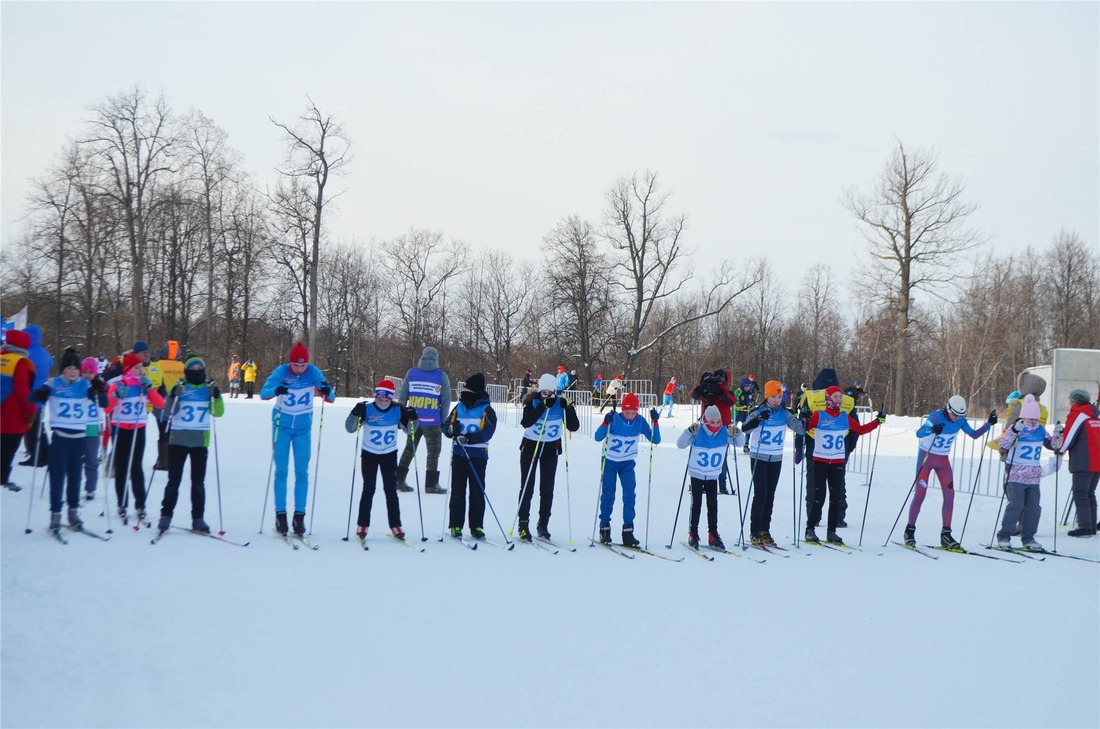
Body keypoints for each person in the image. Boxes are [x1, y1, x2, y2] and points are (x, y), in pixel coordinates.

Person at [260, 342, 334, 537]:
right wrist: (277, 390)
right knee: (282, 471)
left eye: (302, 366)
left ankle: (299, 517)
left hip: (303, 429)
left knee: (302, 473)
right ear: (290, 362)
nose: (299, 369)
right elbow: (263, 393)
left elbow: (331, 397)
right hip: (281, 427)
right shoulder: (281, 371)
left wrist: (325, 389)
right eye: (296, 365)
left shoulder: (313, 372)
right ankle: (281, 515)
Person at [904, 396, 996, 548]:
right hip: (926, 459)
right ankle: (909, 531)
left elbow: (973, 435)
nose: (956, 419)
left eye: (960, 416)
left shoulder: (959, 420)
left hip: (942, 461)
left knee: (950, 495)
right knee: (920, 494)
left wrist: (988, 424)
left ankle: (946, 534)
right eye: (955, 415)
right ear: (948, 409)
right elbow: (919, 433)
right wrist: (932, 429)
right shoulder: (936, 416)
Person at [31, 348, 106, 534]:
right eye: (68, 368)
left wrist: (100, 389)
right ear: (63, 369)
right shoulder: (54, 383)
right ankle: (55, 515)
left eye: (75, 368)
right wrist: (39, 394)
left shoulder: (85, 385)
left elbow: (103, 404)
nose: (72, 371)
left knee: (75, 478)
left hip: (79, 439)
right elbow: (33, 398)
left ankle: (73, 513)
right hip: (60, 439)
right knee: (57, 478)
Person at [803, 386, 883, 544]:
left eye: (840, 397)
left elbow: (859, 429)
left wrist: (877, 421)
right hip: (820, 461)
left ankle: (831, 531)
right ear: (828, 398)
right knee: (819, 496)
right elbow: (803, 429)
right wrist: (804, 418)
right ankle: (810, 529)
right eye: (835, 396)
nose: (839, 399)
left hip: (838, 462)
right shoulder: (819, 415)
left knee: (836, 498)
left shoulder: (844, 417)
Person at [156, 355, 225, 536]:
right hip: (178, 440)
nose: (196, 373)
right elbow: (168, 412)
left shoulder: (208, 388)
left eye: (199, 370)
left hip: (199, 442)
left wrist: (217, 397)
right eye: (192, 370)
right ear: (186, 372)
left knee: (198, 483)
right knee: (174, 481)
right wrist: (172, 396)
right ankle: (166, 515)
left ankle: (198, 518)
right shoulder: (179, 387)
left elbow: (219, 413)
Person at [345, 379, 416, 541]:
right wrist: (354, 413)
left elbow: (411, 432)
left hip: (389, 455)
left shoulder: (398, 411)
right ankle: (362, 524)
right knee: (368, 489)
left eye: (386, 400)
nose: (383, 403)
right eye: (380, 399)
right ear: (375, 397)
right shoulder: (367, 409)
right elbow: (350, 428)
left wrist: (413, 418)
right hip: (369, 454)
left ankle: (395, 525)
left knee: (391, 491)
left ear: (391, 398)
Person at [741, 380, 806, 545]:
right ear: (767, 396)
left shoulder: (784, 413)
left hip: (776, 458)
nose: (777, 400)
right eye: (773, 397)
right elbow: (745, 429)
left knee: (770, 495)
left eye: (779, 396)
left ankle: (765, 530)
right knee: (760, 494)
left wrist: (804, 419)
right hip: (759, 457)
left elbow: (799, 429)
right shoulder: (759, 411)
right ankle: (754, 531)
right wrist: (758, 420)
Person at [517, 373, 580, 541]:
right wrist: (542, 406)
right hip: (531, 447)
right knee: (527, 486)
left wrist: (569, 408)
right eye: (543, 392)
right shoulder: (533, 401)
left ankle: (543, 524)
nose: (546, 395)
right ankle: (523, 524)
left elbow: (574, 426)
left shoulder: (560, 403)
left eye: (549, 393)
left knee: (547, 488)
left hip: (550, 449)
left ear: (554, 391)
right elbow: (526, 422)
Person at [995, 395, 1062, 551]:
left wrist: (1059, 434)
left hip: (1033, 476)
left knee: (1033, 508)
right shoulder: (1018, 428)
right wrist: (1013, 430)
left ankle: (1028, 538)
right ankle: (1004, 536)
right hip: (1016, 474)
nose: (1033, 422)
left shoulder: (1040, 430)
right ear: (1024, 416)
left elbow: (1054, 446)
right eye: (1030, 419)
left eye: (1036, 419)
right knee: (1015, 505)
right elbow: (1003, 445)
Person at [594, 393, 661, 547]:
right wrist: (605, 423)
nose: (630, 416)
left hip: (627, 463)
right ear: (622, 410)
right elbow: (598, 437)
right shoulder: (615, 419)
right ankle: (604, 528)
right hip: (610, 461)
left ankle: (628, 531)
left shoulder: (639, 421)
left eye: (633, 412)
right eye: (627, 412)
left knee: (630, 495)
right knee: (608, 494)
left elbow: (655, 440)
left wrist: (655, 422)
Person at [105, 352, 165, 524]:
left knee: (136, 468)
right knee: (122, 468)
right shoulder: (117, 385)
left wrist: (150, 389)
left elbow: (160, 404)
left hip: (138, 430)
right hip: (120, 429)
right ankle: (121, 504)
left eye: (141, 367)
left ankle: (141, 505)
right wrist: (115, 397)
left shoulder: (143, 385)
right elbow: (107, 409)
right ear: (128, 369)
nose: (141, 370)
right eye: (137, 368)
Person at [442, 372, 497, 540]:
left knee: (477, 492)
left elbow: (488, 431)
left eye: (468, 390)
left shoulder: (486, 410)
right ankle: (456, 525)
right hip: (459, 455)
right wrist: (453, 431)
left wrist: (469, 438)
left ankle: (477, 526)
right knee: (458, 491)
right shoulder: (458, 408)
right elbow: (446, 427)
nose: (464, 392)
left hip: (478, 456)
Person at [677, 405, 739, 550]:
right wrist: (688, 432)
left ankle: (713, 534)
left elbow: (740, 443)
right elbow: (680, 445)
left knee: (713, 505)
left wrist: (737, 433)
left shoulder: (724, 432)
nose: (715, 425)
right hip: (697, 474)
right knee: (696, 504)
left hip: (713, 475)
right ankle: (693, 533)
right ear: (705, 421)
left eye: (718, 422)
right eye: (712, 422)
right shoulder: (698, 431)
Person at [396, 346, 451, 495]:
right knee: (433, 452)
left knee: (409, 449)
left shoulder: (411, 373)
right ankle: (431, 484)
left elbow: (402, 396)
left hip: (413, 420)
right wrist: (443, 420)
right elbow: (445, 401)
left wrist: (401, 417)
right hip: (433, 421)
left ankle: (399, 479)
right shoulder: (441, 376)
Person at [1059, 388, 1100, 537]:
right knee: (1090, 493)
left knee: (1081, 493)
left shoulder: (1078, 415)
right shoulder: (1095, 414)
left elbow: (1068, 438)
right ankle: (1091, 526)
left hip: (1084, 461)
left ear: (1074, 401)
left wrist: (1059, 448)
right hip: (1097, 461)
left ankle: (1085, 526)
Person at [690, 369, 737, 494]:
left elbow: (732, 401)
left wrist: (720, 391)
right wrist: (702, 386)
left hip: (723, 428)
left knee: (721, 457)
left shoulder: (726, 393)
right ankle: (703, 482)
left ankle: (722, 484)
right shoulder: (707, 390)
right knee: (703, 453)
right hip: (706, 427)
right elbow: (694, 394)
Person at [0, 330, 36, 492]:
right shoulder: (20, 362)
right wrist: (31, 407)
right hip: (12, 413)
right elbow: (22, 390)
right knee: (9, 448)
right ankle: (3, 479)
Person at [147, 340, 185, 471]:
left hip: (161, 402)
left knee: (163, 431)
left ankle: (163, 461)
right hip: (177, 403)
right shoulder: (182, 366)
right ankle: (171, 459)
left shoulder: (157, 365)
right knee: (172, 432)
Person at [19, 324, 53, 467]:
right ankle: (45, 454)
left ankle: (36, 457)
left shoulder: (26, 354)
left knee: (32, 429)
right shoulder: (44, 353)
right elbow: (51, 363)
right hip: (42, 394)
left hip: (30, 395)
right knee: (39, 426)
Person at [80, 357, 105, 501]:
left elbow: (105, 403)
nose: (88, 374)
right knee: (77, 459)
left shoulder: (99, 384)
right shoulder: (79, 384)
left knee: (91, 459)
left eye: (91, 372)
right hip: (78, 426)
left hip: (93, 426)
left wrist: (100, 391)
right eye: (85, 371)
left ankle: (91, 488)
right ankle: (74, 483)